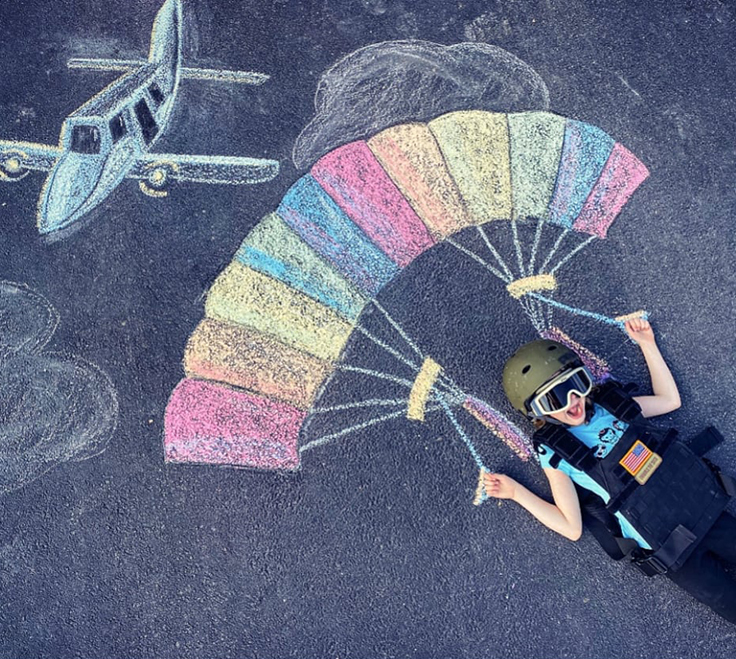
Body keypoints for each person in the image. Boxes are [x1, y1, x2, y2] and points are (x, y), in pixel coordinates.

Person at [483, 318, 736, 624]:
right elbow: (571, 527)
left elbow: (669, 400)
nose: (572, 402)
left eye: (574, 386)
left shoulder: (611, 405)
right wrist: (516, 492)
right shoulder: (554, 450)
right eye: (555, 398)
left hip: (701, 507)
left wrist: (647, 345)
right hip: (672, 547)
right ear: (537, 411)